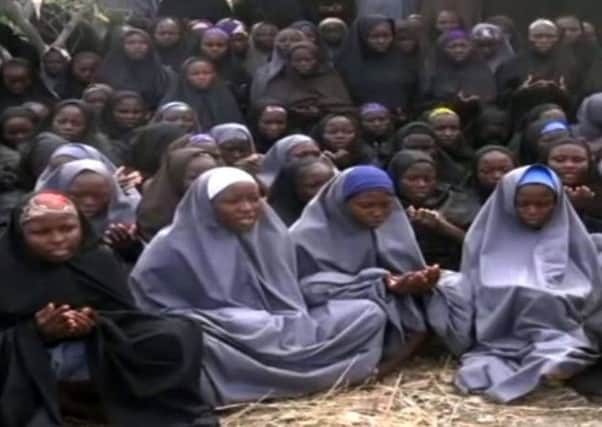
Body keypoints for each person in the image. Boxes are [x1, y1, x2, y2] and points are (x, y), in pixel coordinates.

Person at [130, 167, 388, 406]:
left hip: (288, 322)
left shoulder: (272, 233)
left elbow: (294, 290)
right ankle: (304, 377)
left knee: (367, 312)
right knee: (205, 336)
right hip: (228, 333)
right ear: (206, 207)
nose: (247, 208)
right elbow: (153, 307)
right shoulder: (171, 244)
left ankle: (318, 372)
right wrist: (225, 320)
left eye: (254, 199)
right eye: (233, 202)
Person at [0, 190, 218, 426]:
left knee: (179, 332)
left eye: (67, 228)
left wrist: (95, 322)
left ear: (81, 225)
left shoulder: (98, 259)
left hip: (101, 346)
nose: (57, 238)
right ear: (20, 235)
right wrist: (36, 331)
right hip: (32, 361)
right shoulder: (6, 268)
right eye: (41, 232)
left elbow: (127, 315)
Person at [290, 166, 472, 365]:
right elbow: (305, 289)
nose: (378, 213)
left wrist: (419, 280)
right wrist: (377, 283)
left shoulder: (392, 223)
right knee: (366, 311)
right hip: (337, 303)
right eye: (366, 206)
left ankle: (447, 348)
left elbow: (407, 265)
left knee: (455, 284)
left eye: (386, 205)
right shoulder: (306, 235)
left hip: (393, 292)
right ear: (341, 203)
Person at [452, 165, 602, 402]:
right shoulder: (484, 238)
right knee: (483, 369)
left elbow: (592, 293)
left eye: (543, 204)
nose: (533, 211)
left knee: (563, 355)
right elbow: (471, 289)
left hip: (560, 331)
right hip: (499, 335)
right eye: (523, 204)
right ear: (509, 202)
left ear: (558, 203)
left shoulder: (573, 239)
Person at [389, 150, 479, 269]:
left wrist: (443, 226)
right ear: (396, 179)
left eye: (427, 179)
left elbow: (480, 247)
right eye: (412, 179)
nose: (421, 184)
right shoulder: (385, 203)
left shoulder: (457, 201)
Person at [336, 15, 418, 119]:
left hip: (401, 120)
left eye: (386, 36)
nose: (381, 41)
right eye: (374, 37)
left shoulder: (404, 62)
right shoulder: (347, 64)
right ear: (362, 37)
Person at [263, 41, 354, 131]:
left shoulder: (330, 78)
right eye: (297, 61)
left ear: (317, 60)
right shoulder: (280, 80)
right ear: (290, 62)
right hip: (288, 128)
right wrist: (293, 111)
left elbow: (343, 107)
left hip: (326, 128)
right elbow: (270, 107)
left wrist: (321, 111)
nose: (303, 64)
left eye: (308, 60)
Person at [138, 143, 221, 241]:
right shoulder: (155, 214)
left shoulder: (222, 207)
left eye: (209, 176)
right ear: (176, 178)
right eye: (194, 178)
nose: (203, 182)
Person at [35, 159, 138, 237]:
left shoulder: (125, 221)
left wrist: (128, 248)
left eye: (99, 195)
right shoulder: (38, 221)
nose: (89, 202)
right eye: (77, 195)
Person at [496, 20, 574, 119]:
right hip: (522, 115)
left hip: (561, 114)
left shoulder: (569, 63)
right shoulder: (512, 64)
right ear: (529, 37)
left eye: (550, 36)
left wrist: (562, 93)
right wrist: (521, 91)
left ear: (557, 38)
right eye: (538, 36)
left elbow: (578, 96)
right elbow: (501, 98)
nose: (544, 40)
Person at [96, 28, 175, 109]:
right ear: (121, 45)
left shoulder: (164, 74)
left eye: (143, 43)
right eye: (131, 43)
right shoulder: (106, 72)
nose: (137, 47)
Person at [161, 57, 244, 130]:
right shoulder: (174, 98)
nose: (201, 77)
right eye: (195, 74)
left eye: (206, 73)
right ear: (185, 76)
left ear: (214, 75)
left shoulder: (224, 98)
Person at [421, 29, 497, 109]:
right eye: (452, 46)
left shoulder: (481, 68)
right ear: (443, 49)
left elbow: (490, 96)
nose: (459, 50)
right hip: (442, 110)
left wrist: (476, 100)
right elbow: (425, 100)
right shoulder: (433, 70)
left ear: (471, 48)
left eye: (463, 46)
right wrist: (453, 101)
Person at [545, 137, 602, 232]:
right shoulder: (530, 190)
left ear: (589, 164)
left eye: (577, 160)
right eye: (559, 160)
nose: (569, 165)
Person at [268, 156, 336, 225]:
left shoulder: (343, 211)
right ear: (293, 189)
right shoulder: (279, 225)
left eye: (331, 182)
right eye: (314, 185)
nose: (326, 189)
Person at [250, 28, 306, 102]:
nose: (288, 43)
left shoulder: (314, 68)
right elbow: (256, 100)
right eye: (282, 40)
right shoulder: (262, 72)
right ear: (275, 44)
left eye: (294, 40)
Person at [47, 100, 114, 158]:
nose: (68, 127)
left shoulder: (99, 146)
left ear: (87, 126)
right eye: (62, 122)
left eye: (76, 124)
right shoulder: (43, 142)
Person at [100, 91, 150, 165]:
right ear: (110, 112)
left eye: (136, 112)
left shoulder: (150, 136)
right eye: (123, 112)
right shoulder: (99, 137)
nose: (130, 116)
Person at [359, 103, 395, 168]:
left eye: (382, 119)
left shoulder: (397, 142)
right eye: (370, 120)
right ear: (361, 123)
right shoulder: (355, 144)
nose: (377, 124)